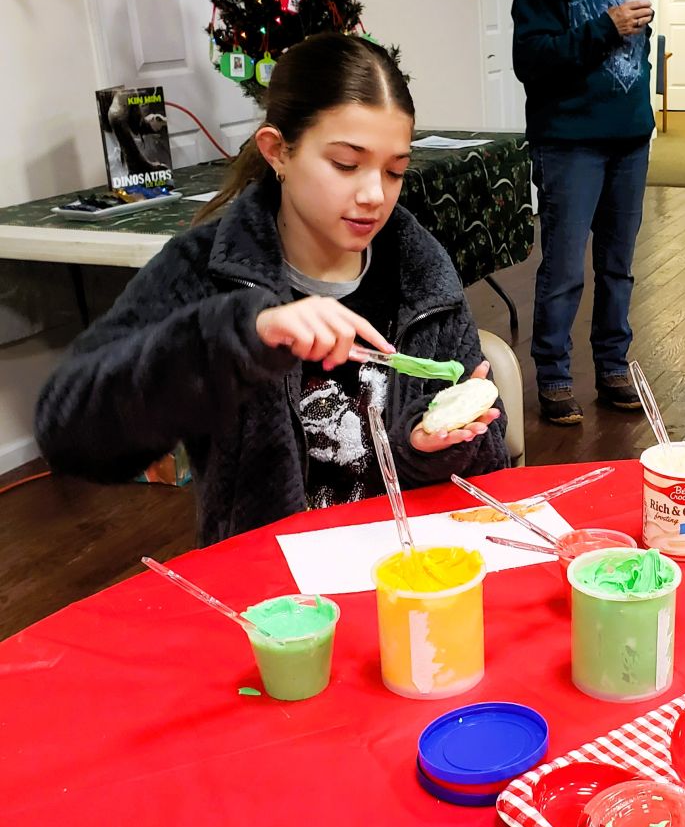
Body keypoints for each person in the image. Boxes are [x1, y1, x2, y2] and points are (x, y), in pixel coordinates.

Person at [35, 33, 508, 545]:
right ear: (277, 151)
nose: (374, 195)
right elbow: (71, 431)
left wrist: (432, 447)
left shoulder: (420, 271)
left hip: (411, 570)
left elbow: (487, 468)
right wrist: (240, 337)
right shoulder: (205, 271)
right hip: (272, 596)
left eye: (394, 171)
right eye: (346, 164)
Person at [512, 0, 655, 426]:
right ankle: (553, 376)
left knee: (618, 265)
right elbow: (532, 60)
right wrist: (605, 28)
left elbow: (631, 46)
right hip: (570, 142)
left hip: (628, 137)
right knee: (566, 268)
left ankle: (614, 366)